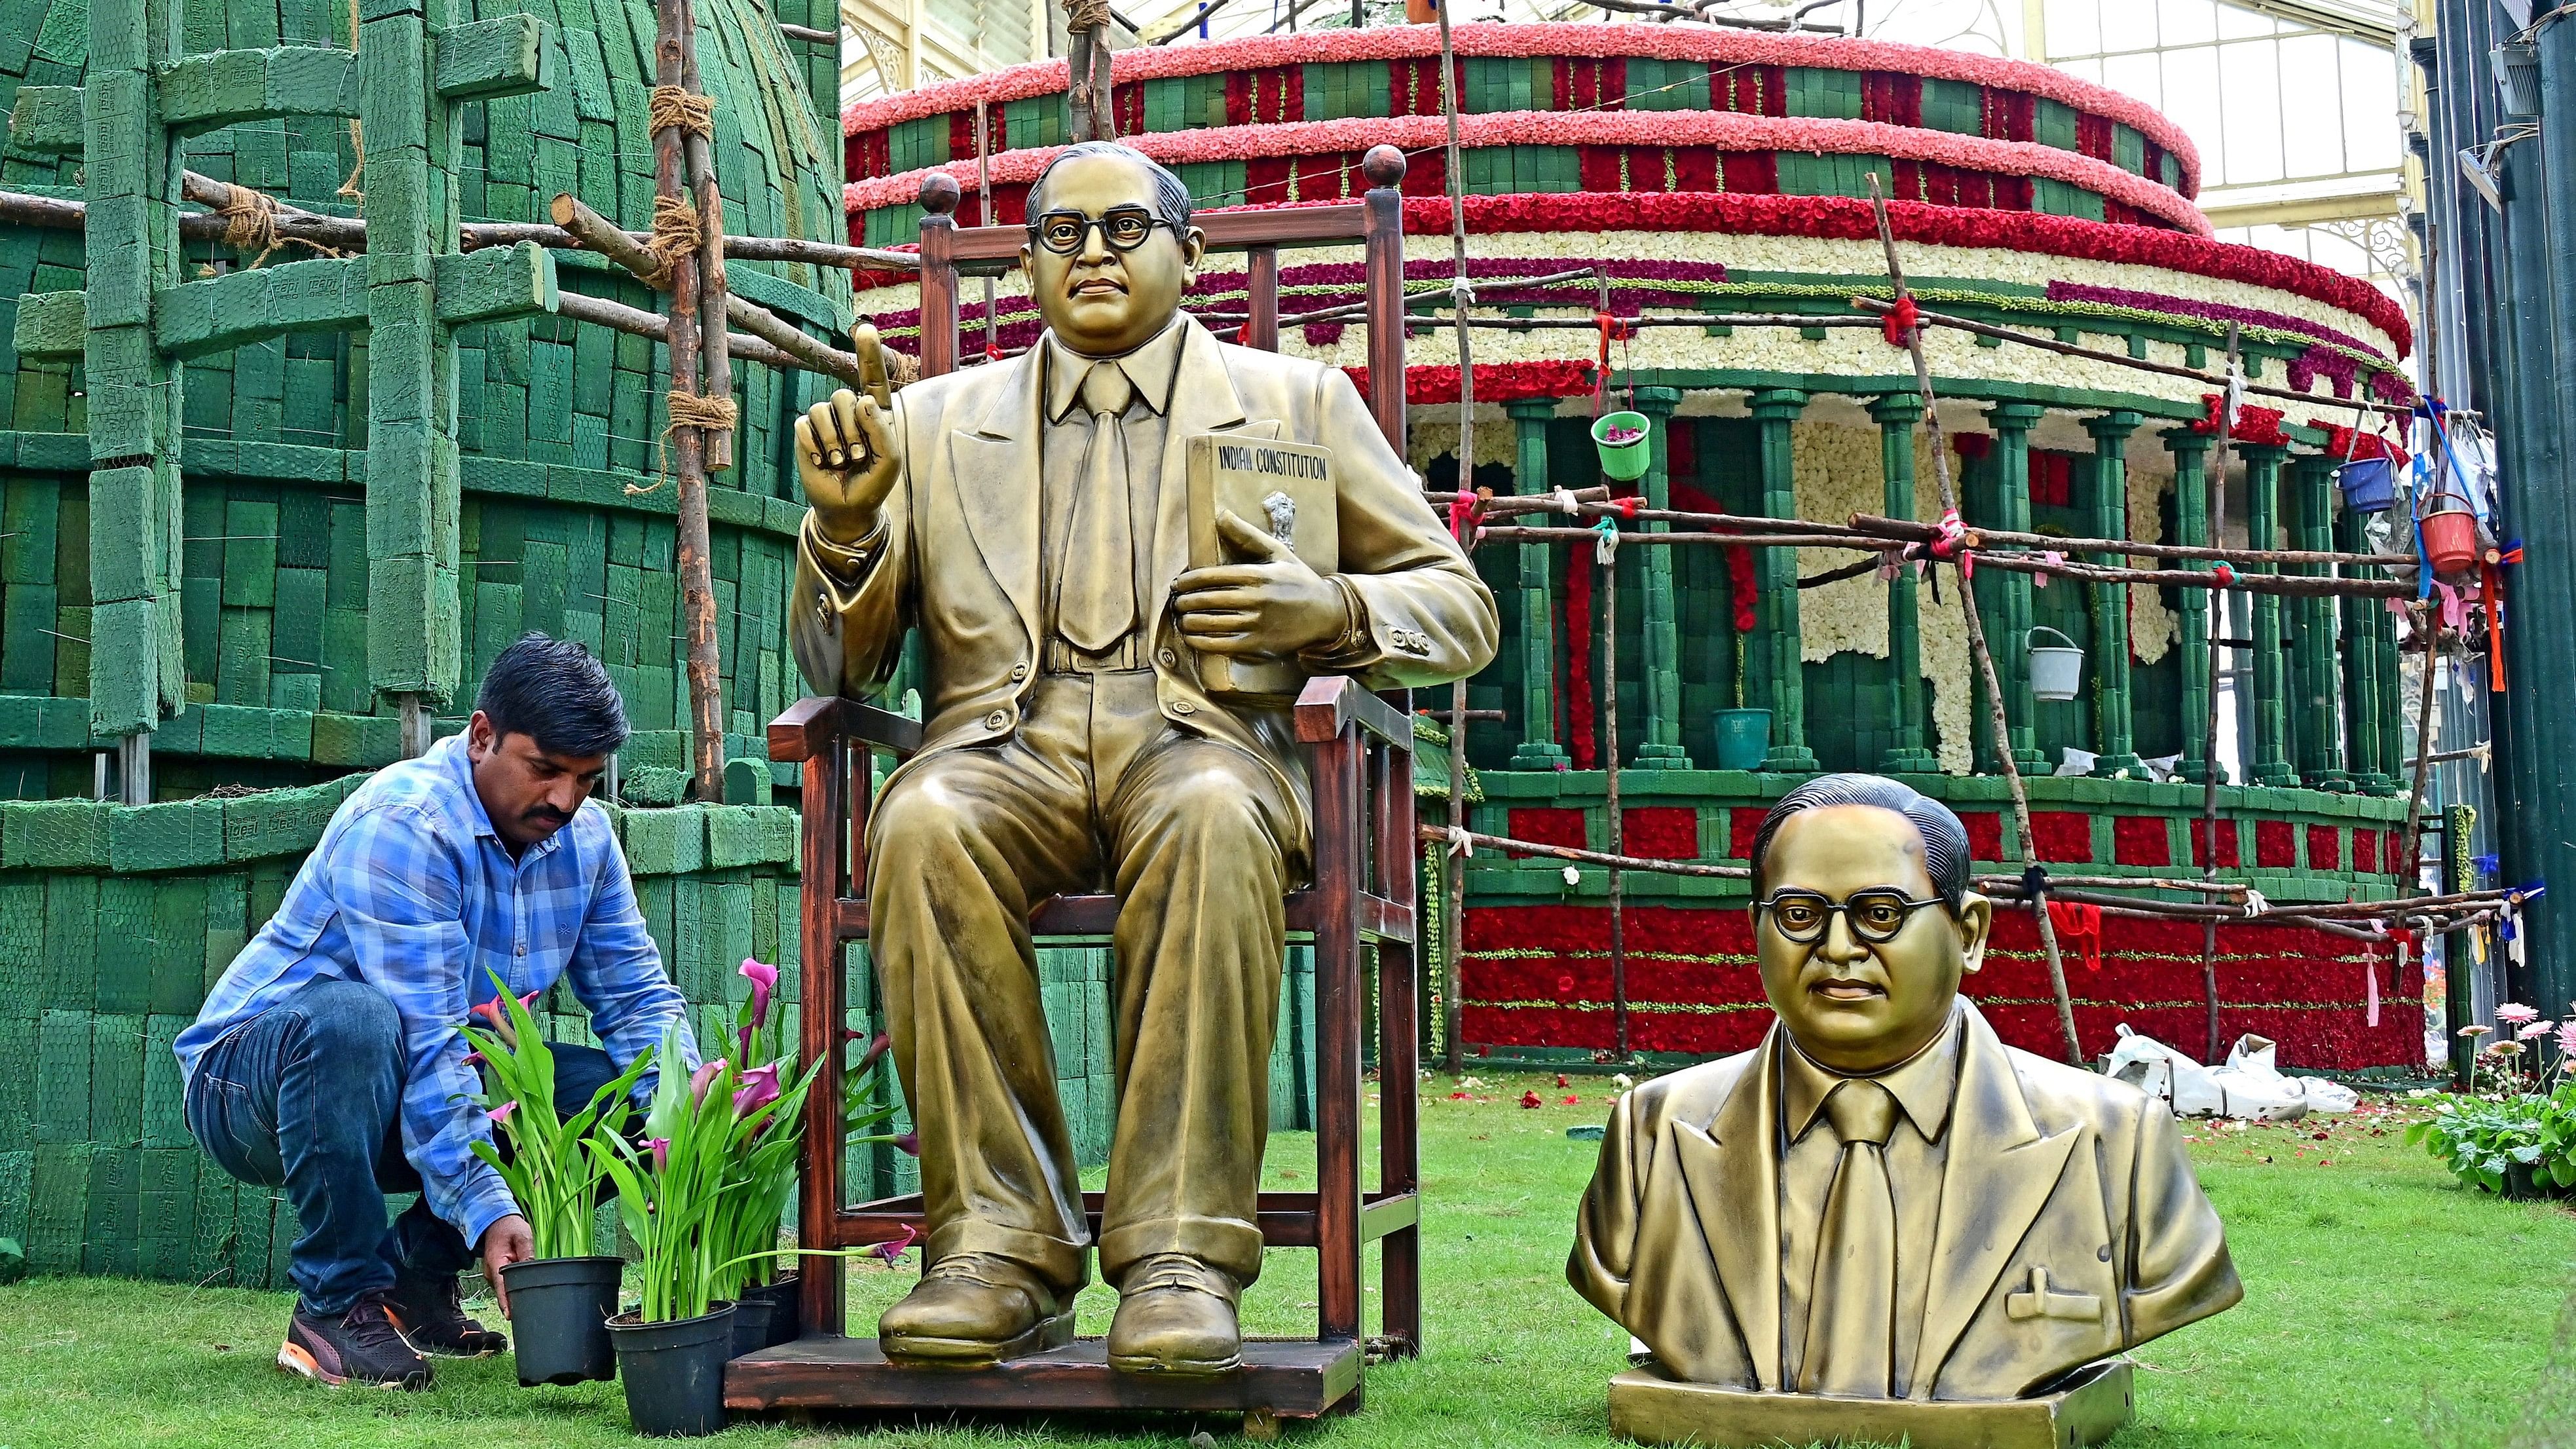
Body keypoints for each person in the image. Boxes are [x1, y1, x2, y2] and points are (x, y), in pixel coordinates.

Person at [790, 140, 1497, 1375]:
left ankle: (1178, 1250)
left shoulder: (1299, 405)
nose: (1094, 254)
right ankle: (999, 1246)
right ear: (1026, 266)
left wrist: (1326, 611)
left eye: (1124, 228)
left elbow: (1460, 609)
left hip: (1202, 737)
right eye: (1062, 235)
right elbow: (836, 672)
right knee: (917, 818)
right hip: (1005, 741)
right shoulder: (932, 422)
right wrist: (847, 531)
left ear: (1191, 250)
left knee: (1217, 809)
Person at [1568, 774, 2240, 1401]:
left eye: (1880, 913)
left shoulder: (2119, 1142)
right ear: (1757, 930)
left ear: (1968, 932)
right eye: (1799, 913)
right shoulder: (1651, 1134)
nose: (1837, 947)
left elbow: (2171, 1283)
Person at [176, 635, 697, 1390]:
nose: (565, 799)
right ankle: (334, 1303)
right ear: (482, 735)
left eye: (585, 779)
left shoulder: (586, 841)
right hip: (252, 1085)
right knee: (355, 1020)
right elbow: (428, 1042)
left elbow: (637, 996)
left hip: (397, 1089)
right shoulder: (405, 824)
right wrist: (487, 1212)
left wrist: (686, 1113)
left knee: (610, 1092)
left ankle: (413, 1281)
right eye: (545, 770)